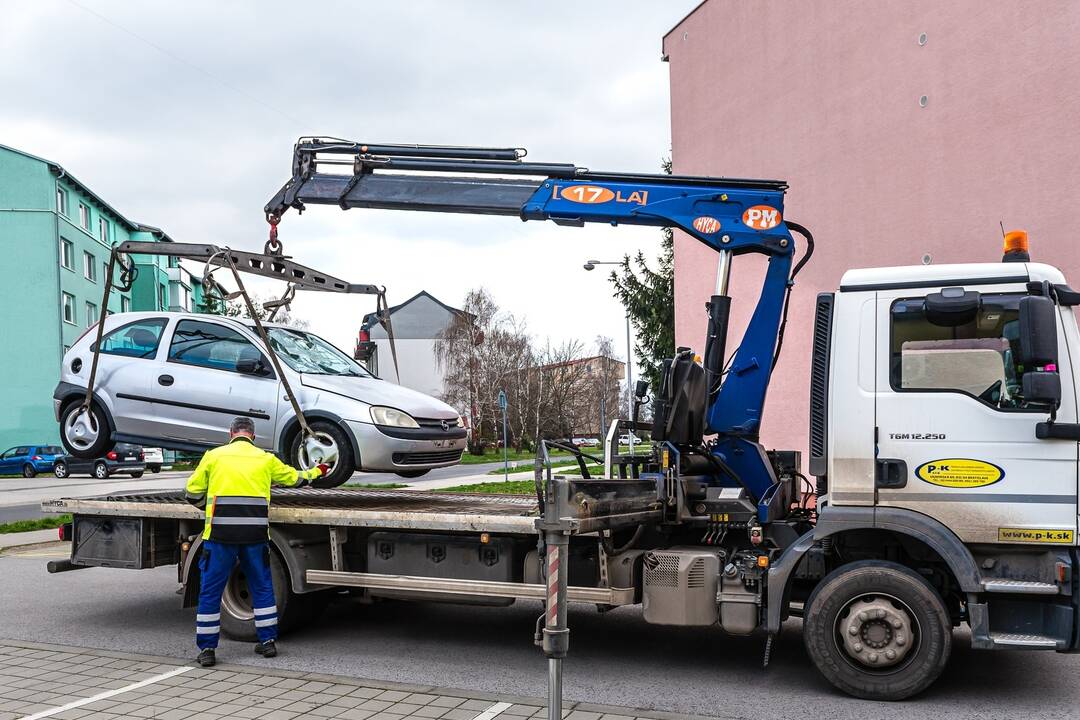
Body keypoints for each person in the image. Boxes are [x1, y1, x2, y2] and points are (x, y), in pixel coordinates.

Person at [184, 416, 328, 667]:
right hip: (254, 537)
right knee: (262, 588)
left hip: (219, 538)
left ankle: (207, 649)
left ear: (231, 433)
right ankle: (268, 642)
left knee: (210, 592)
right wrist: (319, 471)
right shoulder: (265, 459)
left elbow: (192, 492)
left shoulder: (214, 456)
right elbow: (295, 478)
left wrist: (207, 509)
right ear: (253, 435)